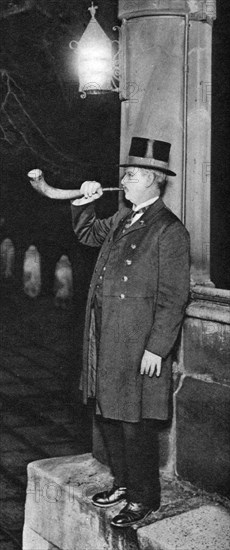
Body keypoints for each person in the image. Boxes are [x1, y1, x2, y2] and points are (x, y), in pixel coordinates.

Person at [71, 137, 190, 528]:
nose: (124, 181)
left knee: (134, 423)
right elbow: (88, 235)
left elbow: (174, 298)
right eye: (126, 174)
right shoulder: (124, 216)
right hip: (108, 337)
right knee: (109, 414)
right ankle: (123, 483)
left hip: (139, 343)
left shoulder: (169, 230)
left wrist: (157, 348)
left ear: (154, 180)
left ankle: (145, 498)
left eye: (133, 174)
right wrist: (86, 201)